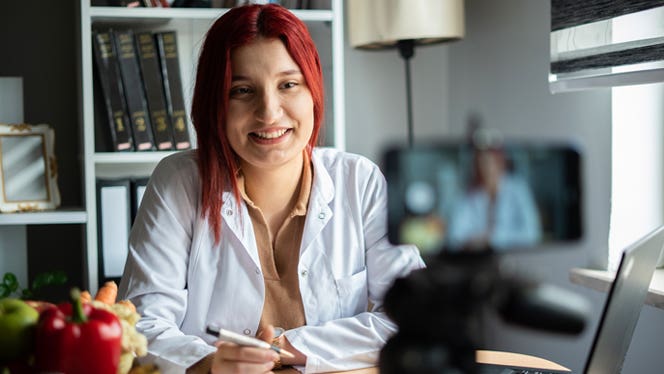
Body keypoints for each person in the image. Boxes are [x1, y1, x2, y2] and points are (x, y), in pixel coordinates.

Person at [118, 4, 425, 374]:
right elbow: (140, 326)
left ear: (312, 90)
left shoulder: (360, 181)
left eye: (288, 85)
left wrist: (288, 346)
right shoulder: (178, 183)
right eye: (243, 90)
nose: (268, 112)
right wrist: (209, 362)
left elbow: (414, 316)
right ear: (215, 103)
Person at [447, 146, 541, 251]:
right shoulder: (469, 194)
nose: (485, 170)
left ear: (500, 164)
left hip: (512, 258)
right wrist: (472, 240)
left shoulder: (518, 190)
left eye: (489, 164)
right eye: (480, 164)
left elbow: (531, 234)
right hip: (476, 260)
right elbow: (454, 236)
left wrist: (492, 238)